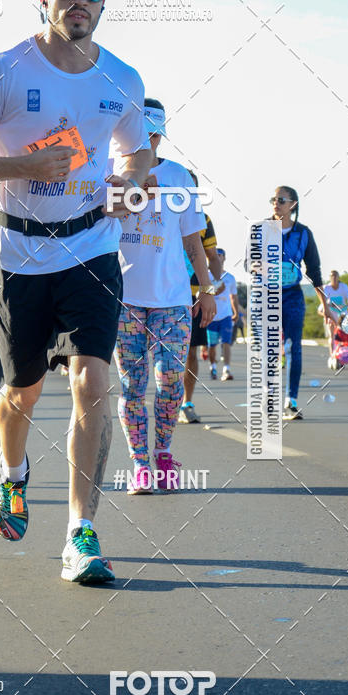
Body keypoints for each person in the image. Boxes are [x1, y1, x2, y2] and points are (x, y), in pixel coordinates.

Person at [0, 0, 152, 583]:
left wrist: (129, 188)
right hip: (16, 255)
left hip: (91, 249)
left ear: (104, 1)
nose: (81, 0)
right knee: (19, 392)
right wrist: (24, 165)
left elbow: (136, 156)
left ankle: (80, 531)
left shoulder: (123, 78)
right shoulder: (4, 71)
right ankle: (12, 473)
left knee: (92, 382)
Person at [115, 99, 216, 494]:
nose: (147, 141)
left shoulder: (179, 176)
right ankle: (140, 464)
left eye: (152, 135)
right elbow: (92, 224)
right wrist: (132, 192)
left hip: (172, 298)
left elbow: (194, 241)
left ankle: (163, 454)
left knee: (170, 378)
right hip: (125, 298)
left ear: (158, 136)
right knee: (132, 386)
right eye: (140, 133)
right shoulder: (109, 173)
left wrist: (206, 289)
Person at [268, 186, 335, 419]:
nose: (276, 203)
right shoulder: (262, 230)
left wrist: (325, 306)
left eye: (281, 200)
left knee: (292, 347)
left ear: (292, 204)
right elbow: (249, 264)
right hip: (267, 296)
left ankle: (291, 401)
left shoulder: (303, 233)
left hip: (293, 295)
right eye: (273, 200)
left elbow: (315, 272)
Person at [178, 177, 223, 423]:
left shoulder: (204, 220)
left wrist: (216, 273)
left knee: (191, 353)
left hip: (194, 295)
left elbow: (212, 256)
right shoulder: (161, 212)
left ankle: (187, 402)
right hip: (165, 294)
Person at [206, 248, 239, 381]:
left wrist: (236, 312)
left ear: (224, 258)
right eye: (216, 255)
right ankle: (213, 366)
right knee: (212, 346)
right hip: (211, 316)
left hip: (226, 315)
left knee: (226, 342)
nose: (218, 258)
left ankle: (226, 369)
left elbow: (233, 297)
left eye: (220, 255)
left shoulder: (230, 278)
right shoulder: (206, 276)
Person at [319, 270, 348, 358]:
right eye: (332, 276)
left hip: (342, 315)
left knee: (346, 335)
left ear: (338, 277)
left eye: (335, 276)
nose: (334, 277)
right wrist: (327, 313)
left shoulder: (344, 287)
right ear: (330, 278)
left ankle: (346, 354)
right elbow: (320, 309)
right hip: (331, 315)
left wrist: (347, 304)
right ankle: (332, 355)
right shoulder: (326, 288)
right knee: (332, 335)